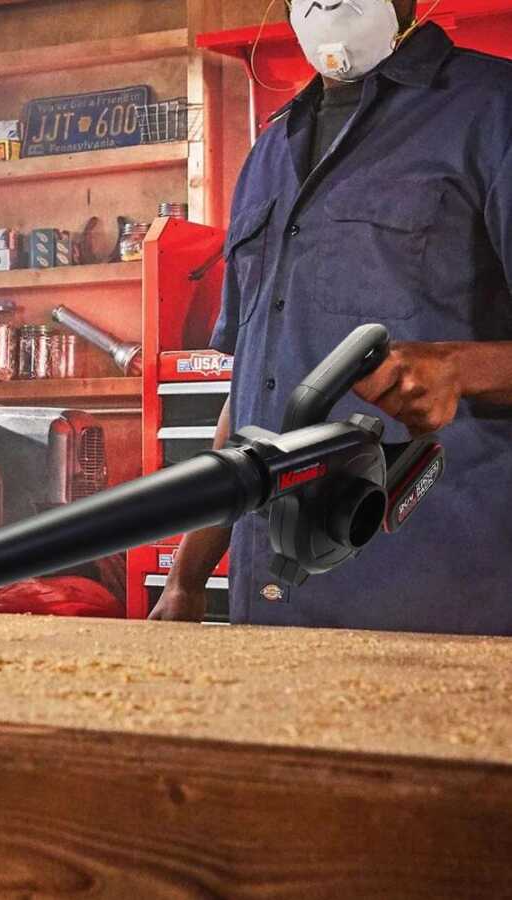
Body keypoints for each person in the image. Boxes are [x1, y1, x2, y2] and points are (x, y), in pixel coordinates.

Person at [152, 0, 512, 635]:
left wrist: (460, 368)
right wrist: (188, 577)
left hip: (439, 595)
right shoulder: (270, 149)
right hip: (274, 600)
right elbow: (252, 390)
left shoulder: (492, 108)